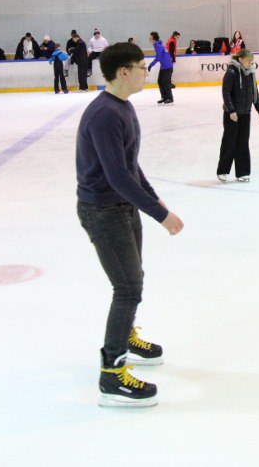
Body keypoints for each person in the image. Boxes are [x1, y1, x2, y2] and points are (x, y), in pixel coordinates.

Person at [75, 42, 184, 408]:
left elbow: (130, 165)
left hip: (122, 207)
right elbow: (118, 175)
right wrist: (160, 214)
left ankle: (125, 335)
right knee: (127, 288)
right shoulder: (105, 115)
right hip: (103, 210)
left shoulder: (122, 107)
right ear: (124, 72)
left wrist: (154, 198)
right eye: (141, 67)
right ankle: (112, 374)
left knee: (133, 278)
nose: (145, 72)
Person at [217, 48, 259, 183]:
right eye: (248, 61)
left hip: (245, 113)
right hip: (232, 114)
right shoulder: (231, 72)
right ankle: (223, 171)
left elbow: (254, 93)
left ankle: (242, 172)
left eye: (251, 61)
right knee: (229, 142)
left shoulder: (251, 73)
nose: (250, 63)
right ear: (241, 59)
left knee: (243, 142)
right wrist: (231, 111)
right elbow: (226, 93)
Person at [147, 31, 174, 105]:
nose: (149, 39)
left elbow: (158, 57)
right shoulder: (158, 45)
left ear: (154, 39)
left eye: (150, 38)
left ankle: (170, 98)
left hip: (167, 67)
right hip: (164, 67)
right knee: (160, 81)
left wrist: (151, 65)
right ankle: (164, 97)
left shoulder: (157, 45)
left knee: (165, 82)